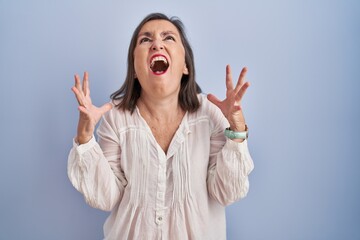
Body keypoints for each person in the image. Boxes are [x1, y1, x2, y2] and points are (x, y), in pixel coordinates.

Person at [68, 12, 254, 240]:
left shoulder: (210, 114)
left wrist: (236, 130)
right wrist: (85, 138)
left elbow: (227, 192)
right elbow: (105, 197)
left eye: (168, 38)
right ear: (135, 70)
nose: (157, 43)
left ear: (185, 66)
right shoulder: (116, 118)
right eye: (145, 39)